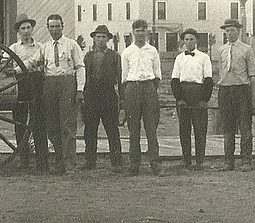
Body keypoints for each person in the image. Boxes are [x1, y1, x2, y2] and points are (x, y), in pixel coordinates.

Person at [41, 14, 85, 174]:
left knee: (67, 126)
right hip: (50, 84)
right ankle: (59, 162)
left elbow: (80, 67)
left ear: (62, 26)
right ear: (48, 28)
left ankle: (70, 165)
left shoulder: (71, 45)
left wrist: (80, 89)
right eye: (51, 26)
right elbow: (32, 62)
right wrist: (14, 69)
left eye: (57, 26)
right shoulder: (44, 47)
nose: (54, 29)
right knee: (52, 126)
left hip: (67, 83)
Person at [213, 18, 255, 171]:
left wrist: (254, 96)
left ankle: (246, 160)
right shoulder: (221, 50)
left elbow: (252, 74)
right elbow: (221, 73)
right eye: (227, 30)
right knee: (227, 127)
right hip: (225, 90)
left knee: (245, 127)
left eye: (232, 30)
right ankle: (228, 161)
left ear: (238, 31)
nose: (229, 33)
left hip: (242, 90)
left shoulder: (247, 49)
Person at [121, 19, 162, 176]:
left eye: (143, 30)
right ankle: (134, 165)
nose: (140, 33)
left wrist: (150, 88)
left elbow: (157, 74)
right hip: (132, 88)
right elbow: (124, 76)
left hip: (148, 88)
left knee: (151, 128)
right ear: (133, 32)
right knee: (133, 129)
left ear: (147, 32)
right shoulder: (127, 52)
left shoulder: (152, 51)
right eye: (137, 30)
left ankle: (155, 163)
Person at [170, 27, 213, 170]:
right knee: (184, 128)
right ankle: (186, 159)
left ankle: (200, 160)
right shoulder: (179, 58)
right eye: (186, 40)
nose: (189, 42)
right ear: (183, 41)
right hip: (183, 93)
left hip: (198, 93)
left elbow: (208, 79)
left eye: (191, 39)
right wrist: (179, 98)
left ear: (197, 41)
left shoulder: (204, 57)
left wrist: (204, 100)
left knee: (200, 129)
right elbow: (175, 79)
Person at [82, 25, 123, 171]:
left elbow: (119, 77)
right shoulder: (88, 56)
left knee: (112, 129)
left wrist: (122, 100)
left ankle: (117, 162)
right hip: (92, 96)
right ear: (93, 38)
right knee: (90, 130)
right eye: (97, 37)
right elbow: (84, 77)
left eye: (103, 37)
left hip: (108, 96)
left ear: (108, 39)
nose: (100, 40)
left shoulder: (115, 56)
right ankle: (90, 161)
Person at [10, 15, 48, 172]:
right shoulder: (13, 48)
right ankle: (23, 159)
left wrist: (18, 68)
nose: (26, 31)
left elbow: (38, 63)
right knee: (20, 124)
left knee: (39, 123)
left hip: (36, 85)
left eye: (28, 28)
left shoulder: (40, 47)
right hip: (19, 86)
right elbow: (5, 66)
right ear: (18, 32)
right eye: (22, 29)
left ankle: (42, 161)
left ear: (32, 29)